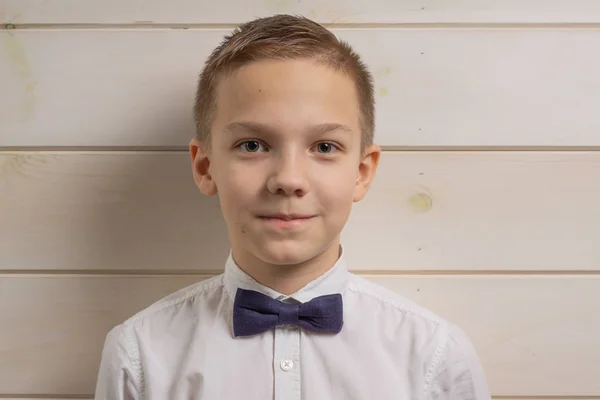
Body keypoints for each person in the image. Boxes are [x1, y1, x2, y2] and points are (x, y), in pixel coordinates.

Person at [94, 14, 491, 400]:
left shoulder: (435, 358)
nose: (288, 179)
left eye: (323, 147)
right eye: (252, 145)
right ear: (205, 166)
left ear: (362, 172)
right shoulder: (139, 356)